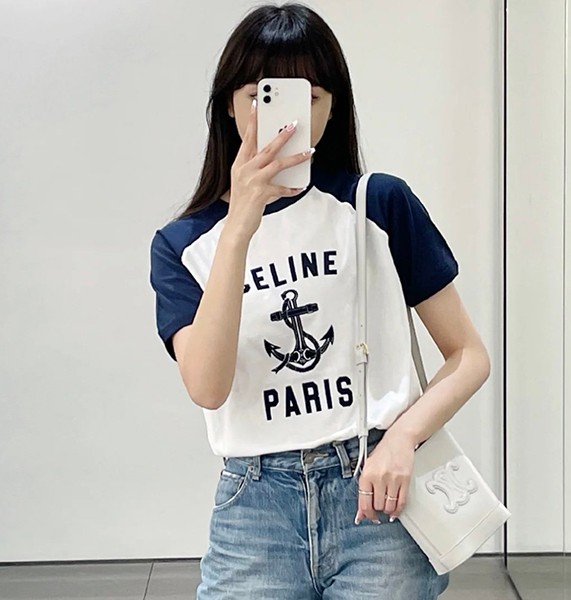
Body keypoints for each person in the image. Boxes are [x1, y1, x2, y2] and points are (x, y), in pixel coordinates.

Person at [149, 2, 490, 598]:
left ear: (333, 108)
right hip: (255, 508)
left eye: (309, 97)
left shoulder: (377, 206)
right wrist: (239, 227)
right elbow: (207, 386)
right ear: (229, 104)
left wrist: (403, 438)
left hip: (378, 494)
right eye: (261, 95)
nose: (284, 116)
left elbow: (469, 356)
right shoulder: (184, 245)